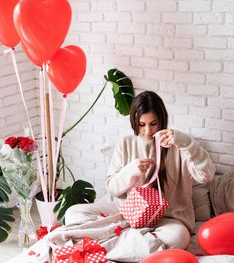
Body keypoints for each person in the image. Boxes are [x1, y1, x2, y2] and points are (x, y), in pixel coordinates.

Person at [65, 91, 215, 250]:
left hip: (168, 218)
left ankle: (111, 245)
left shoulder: (179, 145)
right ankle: (132, 245)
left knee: (178, 239)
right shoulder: (126, 142)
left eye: (153, 123)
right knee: (73, 213)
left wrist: (187, 143)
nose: (148, 131)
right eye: (142, 124)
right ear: (134, 122)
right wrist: (131, 171)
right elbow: (112, 188)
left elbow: (207, 175)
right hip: (127, 212)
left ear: (162, 120)